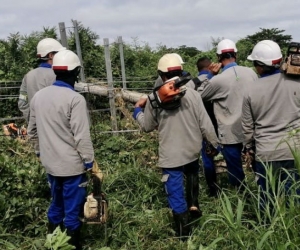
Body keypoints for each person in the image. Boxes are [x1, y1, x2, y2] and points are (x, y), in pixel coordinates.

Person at [133, 53, 219, 239]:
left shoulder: (154, 99)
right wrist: (214, 144)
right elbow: (206, 124)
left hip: (171, 155)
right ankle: (193, 206)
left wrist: (138, 111)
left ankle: (183, 234)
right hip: (192, 150)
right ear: (181, 72)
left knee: (175, 191)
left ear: (161, 74)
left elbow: (147, 126)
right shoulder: (194, 95)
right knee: (192, 175)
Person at [27, 50, 94, 250]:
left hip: (50, 164)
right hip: (72, 166)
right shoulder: (75, 99)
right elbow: (81, 136)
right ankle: (72, 244)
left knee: (56, 204)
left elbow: (32, 131)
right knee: (73, 209)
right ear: (76, 72)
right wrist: (89, 161)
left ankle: (52, 242)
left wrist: (40, 153)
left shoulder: (39, 96)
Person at [242, 40, 300, 207]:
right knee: (294, 198)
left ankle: (268, 228)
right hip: (294, 150)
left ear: (259, 65)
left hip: (265, 153)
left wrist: (248, 148)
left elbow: (247, 128)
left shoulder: (250, 90)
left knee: (267, 199)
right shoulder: (296, 82)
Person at [201, 39, 258, 190]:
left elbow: (200, 95)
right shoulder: (251, 72)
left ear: (218, 57)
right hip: (252, 130)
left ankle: (240, 197)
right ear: (236, 54)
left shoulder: (218, 80)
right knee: (258, 167)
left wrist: (210, 75)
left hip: (229, 133)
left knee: (235, 170)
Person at [186, 57, 220, 197]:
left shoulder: (191, 83)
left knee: (207, 158)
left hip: (200, 127)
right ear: (210, 66)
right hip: (219, 125)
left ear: (198, 69)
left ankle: (213, 190)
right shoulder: (217, 79)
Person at [18, 38, 65, 122]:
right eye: (58, 54)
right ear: (51, 55)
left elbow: (22, 102)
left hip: (36, 127)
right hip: (56, 126)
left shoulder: (28, 75)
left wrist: (32, 120)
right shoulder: (59, 75)